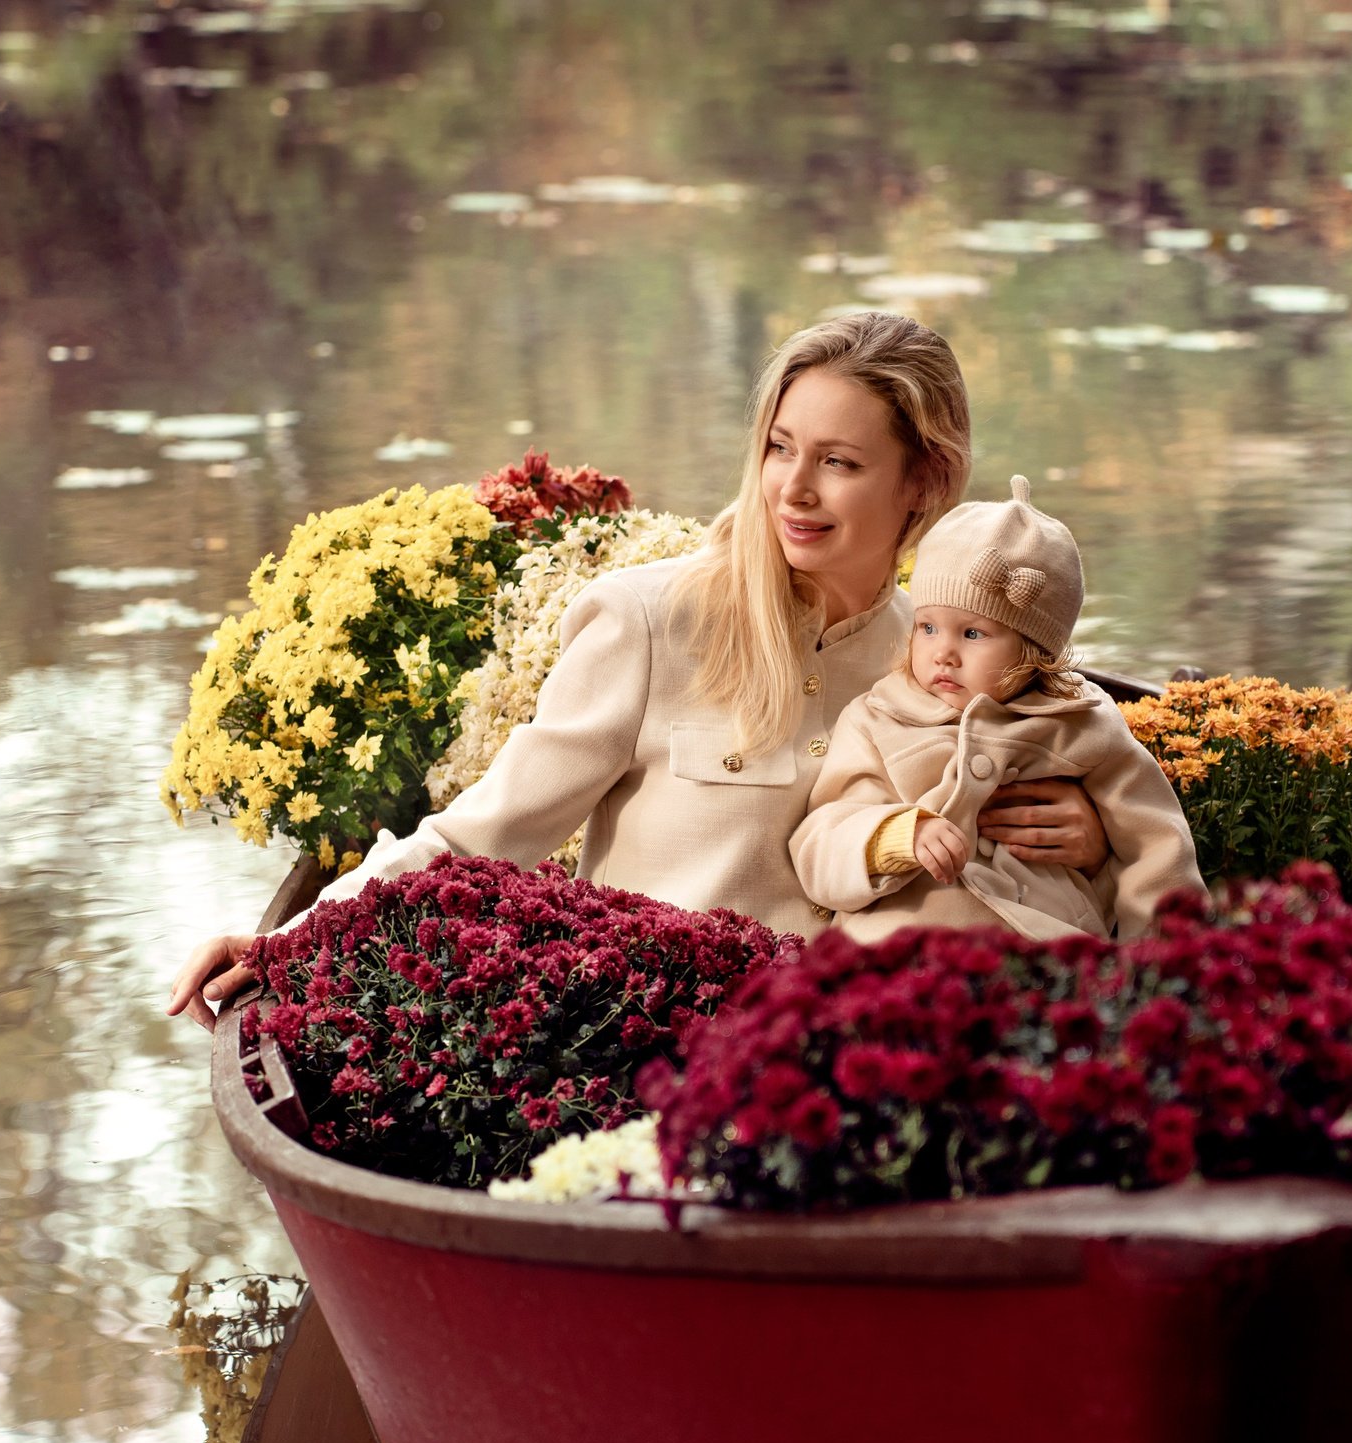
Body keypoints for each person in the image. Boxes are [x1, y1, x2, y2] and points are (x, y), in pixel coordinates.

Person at [167, 312, 1115, 1031]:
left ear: (925, 480)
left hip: (863, 1065)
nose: (793, 488)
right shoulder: (648, 620)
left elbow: (1001, 844)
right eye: (779, 448)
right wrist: (295, 939)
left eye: (838, 461)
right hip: (647, 1058)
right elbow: (486, 833)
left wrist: (1089, 835)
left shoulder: (945, 661)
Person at [788, 475, 1203, 941]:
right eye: (927, 627)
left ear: (1035, 651)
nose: (943, 653)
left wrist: (1165, 958)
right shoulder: (877, 718)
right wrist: (896, 836)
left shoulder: (1082, 725)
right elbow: (820, 841)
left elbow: (1157, 849)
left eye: (973, 633)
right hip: (900, 949)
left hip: (1045, 946)